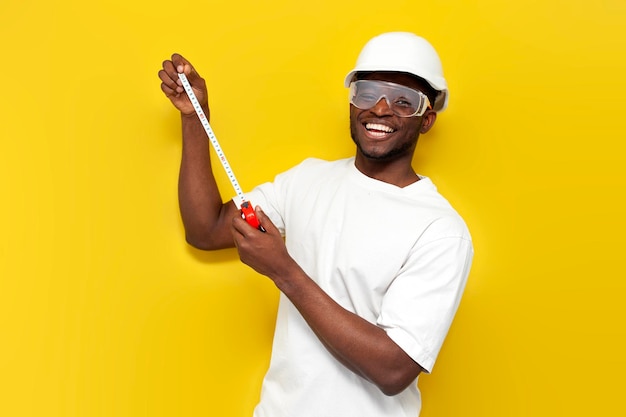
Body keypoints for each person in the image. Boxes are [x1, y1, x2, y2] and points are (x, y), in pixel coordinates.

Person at [158, 32, 473, 417]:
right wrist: (195, 119)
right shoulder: (307, 180)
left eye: (403, 101)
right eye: (368, 92)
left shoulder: (440, 230)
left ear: (426, 120)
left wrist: (283, 271)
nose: (380, 109)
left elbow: (394, 369)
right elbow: (206, 229)